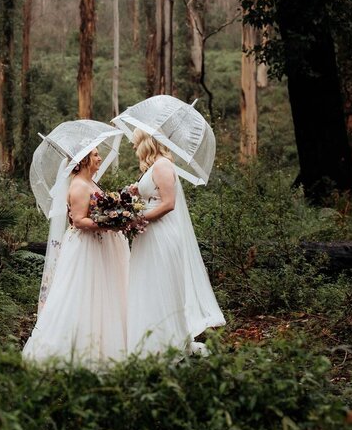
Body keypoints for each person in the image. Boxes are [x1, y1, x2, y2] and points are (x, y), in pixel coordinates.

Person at [22, 146, 130, 366]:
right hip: (85, 248)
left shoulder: (91, 182)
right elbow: (80, 221)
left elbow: (100, 208)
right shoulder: (79, 186)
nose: (99, 158)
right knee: (82, 293)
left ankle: (107, 345)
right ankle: (76, 350)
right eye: (95, 155)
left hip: (100, 245)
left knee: (105, 293)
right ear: (83, 160)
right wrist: (110, 222)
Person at [126, 129, 224, 356]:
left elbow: (169, 204)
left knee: (161, 285)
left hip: (161, 235)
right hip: (149, 235)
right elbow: (155, 197)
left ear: (145, 142)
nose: (132, 146)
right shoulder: (154, 167)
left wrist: (138, 218)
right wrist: (136, 192)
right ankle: (151, 341)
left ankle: (167, 343)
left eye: (135, 141)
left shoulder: (162, 166)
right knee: (149, 286)